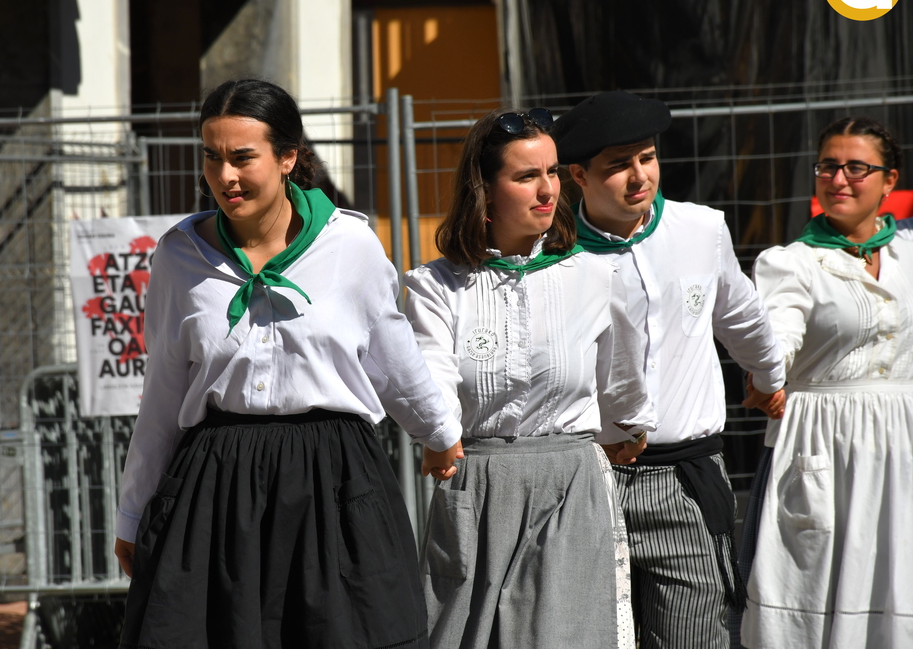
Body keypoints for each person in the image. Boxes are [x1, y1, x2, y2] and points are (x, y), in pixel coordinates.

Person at [113, 78, 464, 649]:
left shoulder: (349, 245)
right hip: (218, 488)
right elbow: (162, 394)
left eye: (242, 157)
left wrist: (439, 434)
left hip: (334, 481)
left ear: (288, 158)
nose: (225, 176)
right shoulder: (179, 256)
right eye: (211, 157)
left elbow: (391, 354)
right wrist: (133, 514)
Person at [404, 107, 657, 649]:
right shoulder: (437, 286)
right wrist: (439, 434)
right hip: (477, 485)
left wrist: (628, 428)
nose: (548, 190)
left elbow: (623, 378)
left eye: (552, 172)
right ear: (485, 190)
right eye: (526, 176)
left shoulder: (594, 275)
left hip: (569, 487)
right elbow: (432, 376)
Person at [556, 90, 787, 649]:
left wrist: (769, 378)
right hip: (588, 481)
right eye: (618, 165)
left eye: (647, 157)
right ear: (579, 176)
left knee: (695, 637)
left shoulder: (701, 229)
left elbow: (740, 314)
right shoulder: (556, 255)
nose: (639, 176)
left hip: (687, 480)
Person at [741, 117, 913, 648]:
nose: (838, 179)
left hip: (903, 443)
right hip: (824, 443)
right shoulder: (792, 263)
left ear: (889, 180)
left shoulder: (908, 253)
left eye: (856, 168)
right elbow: (777, 336)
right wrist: (768, 375)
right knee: (815, 594)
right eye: (828, 167)